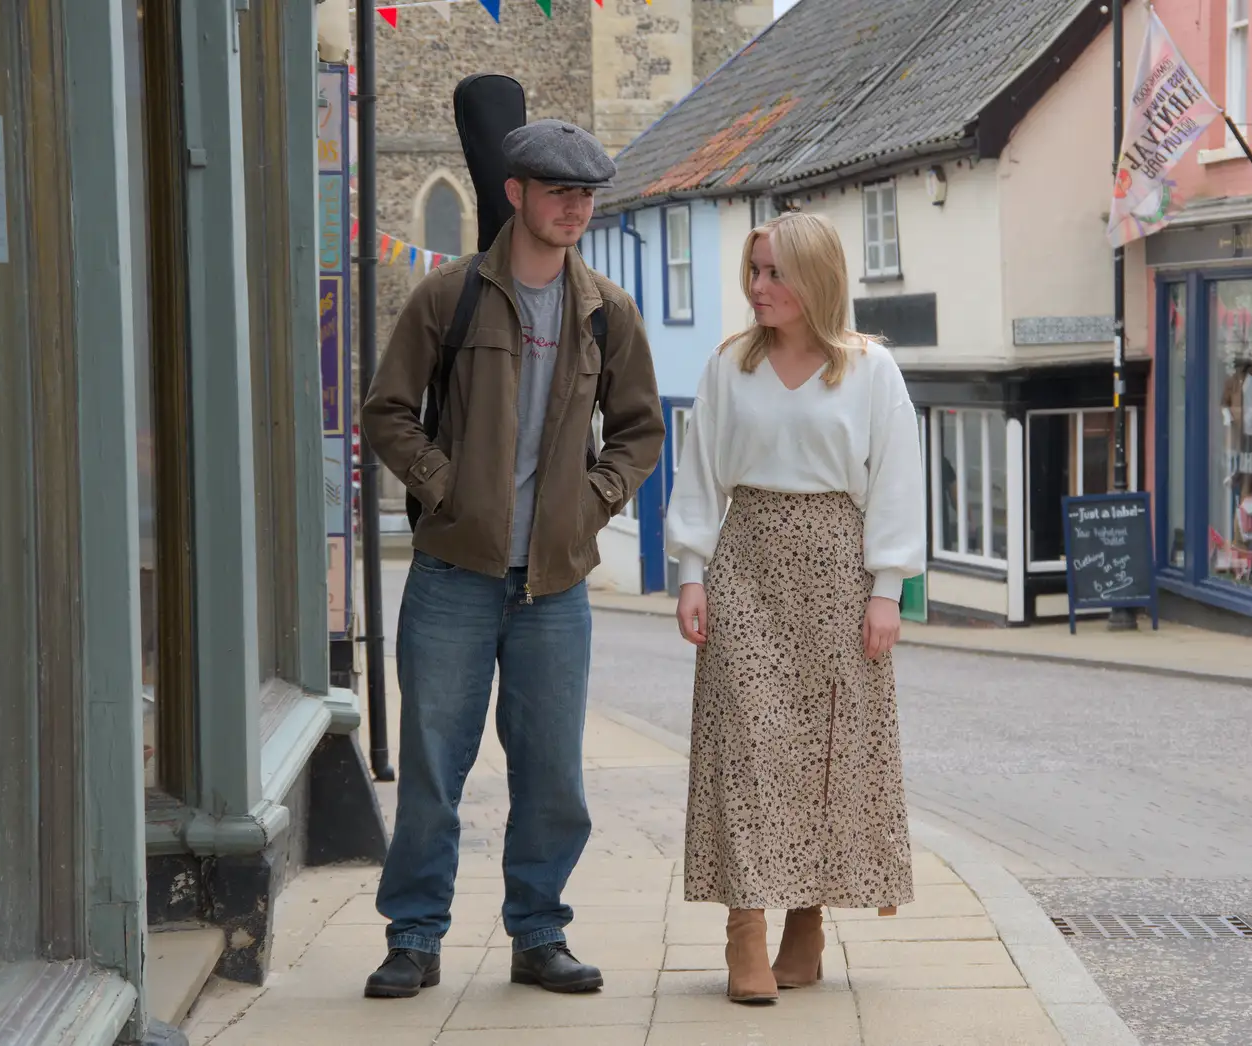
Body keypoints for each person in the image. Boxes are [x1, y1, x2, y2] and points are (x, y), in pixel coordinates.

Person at [360, 119, 664, 999]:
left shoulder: (608, 312)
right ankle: (413, 936)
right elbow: (388, 411)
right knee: (431, 766)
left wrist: (594, 499)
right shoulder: (448, 296)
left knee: (553, 776)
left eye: (587, 195)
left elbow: (641, 430)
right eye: (559, 192)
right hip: (454, 573)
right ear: (516, 195)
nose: (576, 208)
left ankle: (539, 934)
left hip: (556, 586)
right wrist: (443, 485)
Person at [665, 211, 926, 1004]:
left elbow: (896, 483)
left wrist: (887, 591)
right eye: (754, 271)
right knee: (744, 749)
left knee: (824, 753)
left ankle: (805, 926)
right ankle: (745, 930)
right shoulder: (727, 367)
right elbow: (701, 473)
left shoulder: (871, 370)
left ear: (815, 278)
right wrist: (690, 571)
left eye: (774, 272)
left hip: (839, 574)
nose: (758, 287)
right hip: (745, 565)